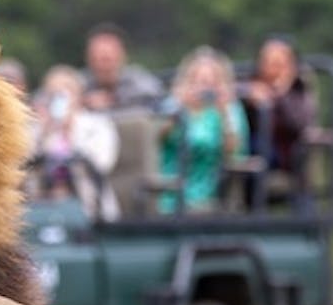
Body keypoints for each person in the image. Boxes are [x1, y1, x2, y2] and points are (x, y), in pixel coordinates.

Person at [158, 47, 249, 214]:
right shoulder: (174, 104)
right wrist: (181, 110)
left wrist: (224, 115)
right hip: (173, 188)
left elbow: (234, 152)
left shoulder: (230, 110)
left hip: (213, 189)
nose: (205, 89)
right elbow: (158, 138)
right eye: (199, 81)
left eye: (211, 82)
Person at [31, 65, 120, 221]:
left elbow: (102, 163)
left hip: (87, 200)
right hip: (44, 197)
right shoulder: (38, 128)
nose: (59, 98)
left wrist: (70, 132)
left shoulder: (98, 124)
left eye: (65, 92)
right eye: (52, 93)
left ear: (78, 95)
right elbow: (24, 165)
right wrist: (45, 132)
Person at [242, 35, 316, 181]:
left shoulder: (299, 91)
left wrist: (280, 95)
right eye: (268, 62)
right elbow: (227, 90)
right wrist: (248, 95)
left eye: (279, 63)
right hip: (252, 148)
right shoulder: (250, 84)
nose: (273, 69)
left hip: (288, 155)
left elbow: (299, 124)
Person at [81, 22, 163, 111]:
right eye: (95, 59)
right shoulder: (82, 83)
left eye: (107, 59)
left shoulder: (138, 80)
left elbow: (155, 97)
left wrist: (113, 101)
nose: (102, 66)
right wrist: (84, 102)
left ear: (123, 57)